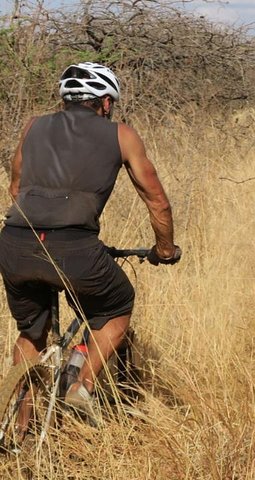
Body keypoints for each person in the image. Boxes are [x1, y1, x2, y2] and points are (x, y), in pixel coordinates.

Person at [0, 62, 181, 418]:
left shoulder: (33, 126)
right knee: (117, 305)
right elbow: (157, 200)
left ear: (65, 98)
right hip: (75, 248)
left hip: (15, 240)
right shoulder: (121, 134)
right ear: (106, 102)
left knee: (32, 332)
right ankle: (81, 385)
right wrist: (165, 249)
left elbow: (16, 186)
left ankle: (15, 428)